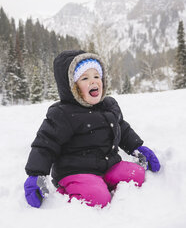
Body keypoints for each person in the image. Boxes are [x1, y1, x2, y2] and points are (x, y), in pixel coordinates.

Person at [24, 50, 160, 208]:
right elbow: (45, 144)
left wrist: (137, 148)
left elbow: (122, 128)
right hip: (75, 171)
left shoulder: (109, 106)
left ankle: (101, 182)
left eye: (96, 76)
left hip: (107, 164)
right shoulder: (63, 114)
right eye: (85, 78)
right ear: (72, 86)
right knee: (98, 198)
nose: (93, 82)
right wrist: (36, 173)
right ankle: (68, 191)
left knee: (136, 175)